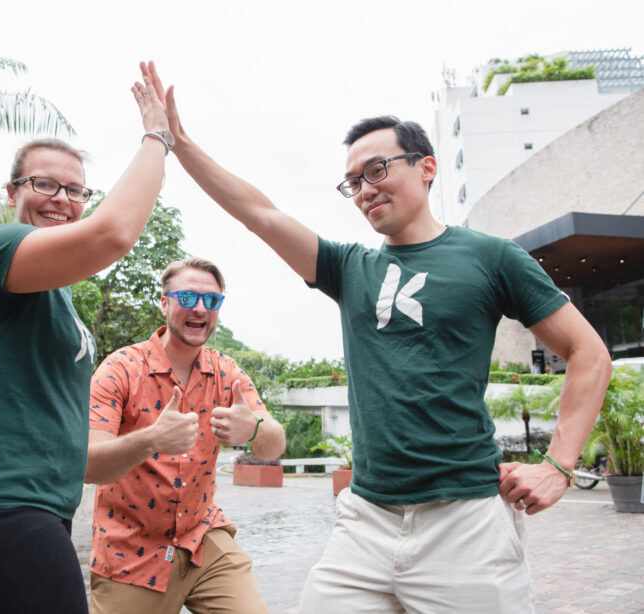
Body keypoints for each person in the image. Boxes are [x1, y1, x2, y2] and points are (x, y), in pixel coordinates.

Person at [141, 62, 612, 612]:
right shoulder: (349, 268)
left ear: (428, 167)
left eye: (378, 169)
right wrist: (180, 143)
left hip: (466, 522)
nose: (364, 190)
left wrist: (557, 466)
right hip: (365, 520)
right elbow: (260, 214)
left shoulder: (491, 258)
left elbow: (589, 353)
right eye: (353, 182)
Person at [0, 70, 174, 614]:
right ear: (11, 192)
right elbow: (113, 234)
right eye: (44, 184)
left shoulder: (58, 300)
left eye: (75, 190)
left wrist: (150, 439)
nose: (61, 199)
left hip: (38, 509)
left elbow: (83, 457)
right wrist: (158, 137)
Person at [85, 256, 286, 614]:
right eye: (187, 297)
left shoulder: (227, 374)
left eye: (211, 300)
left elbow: (275, 444)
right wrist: (151, 439)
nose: (199, 308)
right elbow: (87, 464)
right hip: (131, 551)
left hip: (202, 538)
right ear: (164, 304)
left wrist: (254, 428)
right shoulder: (120, 370)